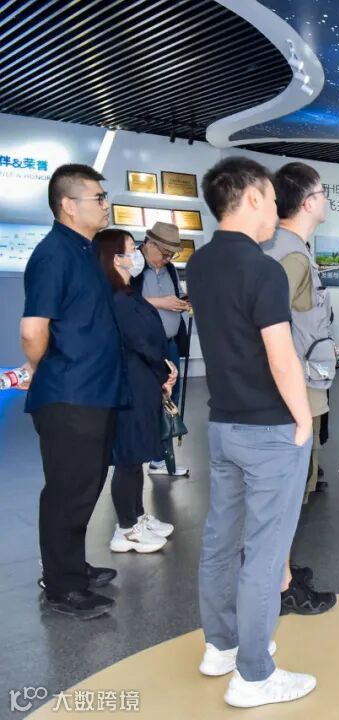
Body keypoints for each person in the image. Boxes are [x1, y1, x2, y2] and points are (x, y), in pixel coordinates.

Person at [187, 156, 316, 707]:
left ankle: (220, 646)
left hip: (223, 423)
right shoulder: (263, 270)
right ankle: (255, 674)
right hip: (268, 430)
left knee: (221, 540)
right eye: (270, 199)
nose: (274, 212)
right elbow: (281, 357)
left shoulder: (199, 264)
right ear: (253, 197)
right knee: (265, 552)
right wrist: (304, 418)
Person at [20, 164, 126, 619]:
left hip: (94, 392)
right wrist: (46, 368)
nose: (106, 205)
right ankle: (62, 586)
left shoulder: (83, 250)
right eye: (98, 198)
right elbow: (32, 330)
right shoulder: (54, 254)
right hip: (70, 395)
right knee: (68, 491)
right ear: (68, 205)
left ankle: (72, 566)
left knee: (85, 486)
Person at [264, 161, 338, 616]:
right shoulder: (289, 255)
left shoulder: (291, 249)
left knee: (296, 483)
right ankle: (281, 583)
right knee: (289, 486)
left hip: (302, 378)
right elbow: (271, 329)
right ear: (309, 202)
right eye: (323, 192)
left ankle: (284, 570)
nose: (327, 199)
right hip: (294, 385)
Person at [94, 229, 177, 554]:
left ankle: (138, 515)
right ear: (115, 258)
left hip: (144, 381)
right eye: (131, 249)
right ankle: (126, 528)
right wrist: (163, 369)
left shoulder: (129, 293)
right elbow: (140, 341)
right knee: (129, 456)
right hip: (131, 383)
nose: (136, 255)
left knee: (138, 455)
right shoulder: (116, 298)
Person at [133, 221, 191, 477]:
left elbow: (173, 297)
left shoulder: (170, 270)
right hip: (143, 347)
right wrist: (160, 302)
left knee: (170, 400)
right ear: (149, 244)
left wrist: (180, 302)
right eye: (165, 253)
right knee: (145, 399)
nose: (167, 258)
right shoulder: (132, 265)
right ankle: (136, 457)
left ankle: (161, 457)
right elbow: (121, 300)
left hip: (169, 344)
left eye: (171, 255)